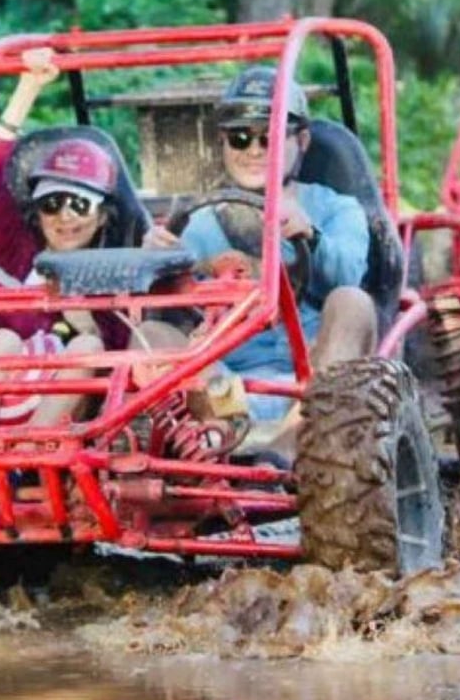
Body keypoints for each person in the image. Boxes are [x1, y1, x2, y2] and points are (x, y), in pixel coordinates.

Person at [0, 48, 126, 503]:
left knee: (91, 345)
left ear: (103, 216)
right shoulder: (15, 251)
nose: (65, 218)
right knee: (1, 342)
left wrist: (81, 313)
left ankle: (27, 467)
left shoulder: (113, 273)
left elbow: (118, 367)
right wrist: (28, 88)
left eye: (80, 204)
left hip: (61, 425)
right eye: (53, 204)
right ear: (37, 212)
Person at [142, 67, 376, 461]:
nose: (254, 150)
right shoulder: (201, 220)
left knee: (353, 301)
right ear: (223, 144)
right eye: (240, 137)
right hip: (226, 385)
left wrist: (310, 236)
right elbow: (173, 310)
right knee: (151, 333)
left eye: (269, 137)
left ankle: (292, 442)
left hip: (316, 375)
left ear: (300, 141)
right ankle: (220, 437)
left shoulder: (335, 207)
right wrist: (156, 266)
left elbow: (349, 274)